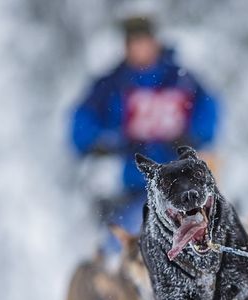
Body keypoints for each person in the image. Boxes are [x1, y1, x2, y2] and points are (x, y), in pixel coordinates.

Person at [71, 15, 219, 252]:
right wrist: (98, 143)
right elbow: (81, 120)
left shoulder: (181, 79)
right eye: (134, 43)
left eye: (144, 42)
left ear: (155, 43)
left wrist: (194, 135)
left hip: (180, 181)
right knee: (123, 242)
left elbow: (210, 108)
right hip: (131, 182)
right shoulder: (111, 85)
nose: (140, 49)